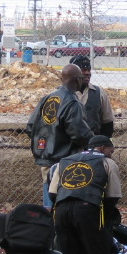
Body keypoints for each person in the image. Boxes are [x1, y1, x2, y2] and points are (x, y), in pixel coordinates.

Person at [26, 64, 94, 208]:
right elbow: (79, 133)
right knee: (62, 201)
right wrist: (93, 143)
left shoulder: (47, 99)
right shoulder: (72, 103)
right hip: (65, 160)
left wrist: (43, 145)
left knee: (48, 196)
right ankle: (58, 228)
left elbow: (30, 127)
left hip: (45, 158)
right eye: (81, 78)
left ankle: (49, 226)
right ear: (77, 80)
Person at [49, 135, 122, 254]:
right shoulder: (107, 162)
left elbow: (52, 193)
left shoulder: (64, 161)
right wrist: (105, 219)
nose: (111, 155)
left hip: (61, 210)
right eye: (111, 151)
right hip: (88, 210)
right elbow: (113, 196)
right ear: (102, 148)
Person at [69, 55, 115, 137]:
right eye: (83, 70)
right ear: (73, 73)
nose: (87, 73)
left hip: (92, 145)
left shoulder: (99, 93)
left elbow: (107, 123)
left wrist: (103, 144)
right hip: (68, 146)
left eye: (89, 70)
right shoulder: (61, 95)